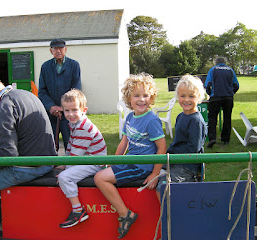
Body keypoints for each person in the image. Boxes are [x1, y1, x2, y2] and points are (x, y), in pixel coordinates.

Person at [0, 75, 57, 240]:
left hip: (27, 168)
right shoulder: (23, 94)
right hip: (47, 160)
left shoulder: (2, 107)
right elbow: (18, 125)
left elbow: (8, 156)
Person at [94, 73, 167, 239]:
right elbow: (123, 143)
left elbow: (162, 147)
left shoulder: (151, 120)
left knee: (100, 178)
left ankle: (125, 214)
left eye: (146, 96)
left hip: (142, 166)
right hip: (130, 162)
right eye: (136, 96)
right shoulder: (129, 117)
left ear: (152, 97)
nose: (141, 100)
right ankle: (125, 213)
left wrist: (154, 174)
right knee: (99, 174)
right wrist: (113, 162)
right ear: (129, 98)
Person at [57, 89, 107, 228]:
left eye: (74, 110)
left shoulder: (84, 127)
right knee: (61, 169)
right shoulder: (75, 123)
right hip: (86, 158)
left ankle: (78, 211)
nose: (71, 114)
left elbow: (75, 157)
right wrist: (63, 163)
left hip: (94, 162)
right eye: (67, 111)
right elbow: (71, 147)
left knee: (64, 177)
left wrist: (65, 169)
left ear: (84, 109)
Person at [156, 74, 207, 196]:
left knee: (163, 187)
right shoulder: (180, 116)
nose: (186, 100)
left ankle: (169, 214)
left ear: (199, 97)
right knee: (151, 172)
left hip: (186, 165)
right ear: (177, 96)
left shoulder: (196, 121)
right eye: (182, 96)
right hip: (174, 160)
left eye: (191, 96)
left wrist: (173, 156)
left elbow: (193, 149)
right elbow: (177, 142)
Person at [38, 38, 82, 152]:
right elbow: (42, 91)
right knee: (49, 145)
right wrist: (51, 106)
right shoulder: (45, 67)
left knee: (71, 145)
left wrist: (64, 108)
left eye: (61, 48)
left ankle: (71, 168)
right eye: (55, 48)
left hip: (69, 114)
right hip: (51, 114)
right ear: (50, 51)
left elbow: (76, 91)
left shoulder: (74, 65)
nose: (58, 51)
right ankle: (50, 168)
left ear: (65, 49)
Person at [205, 57, 239, 148]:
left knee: (212, 118)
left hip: (215, 97)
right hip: (228, 98)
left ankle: (212, 138)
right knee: (227, 118)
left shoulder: (213, 70)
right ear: (225, 62)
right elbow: (236, 85)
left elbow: (207, 84)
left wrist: (210, 94)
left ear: (216, 62)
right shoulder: (230, 70)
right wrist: (231, 93)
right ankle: (226, 139)